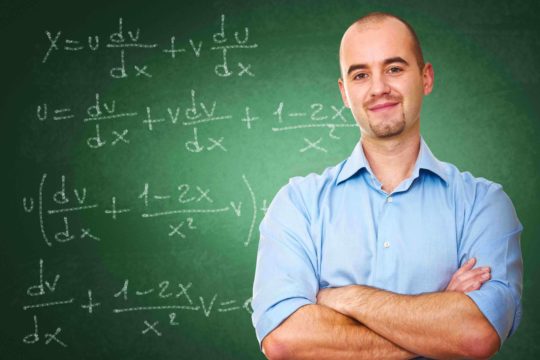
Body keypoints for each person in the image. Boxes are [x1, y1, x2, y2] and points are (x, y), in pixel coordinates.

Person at [251, 12, 523, 360]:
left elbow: (475, 336)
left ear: (425, 78)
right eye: (361, 74)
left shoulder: (485, 205)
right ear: (344, 93)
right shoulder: (297, 204)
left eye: (394, 69)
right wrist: (438, 316)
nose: (379, 88)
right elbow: (285, 341)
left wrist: (343, 297)